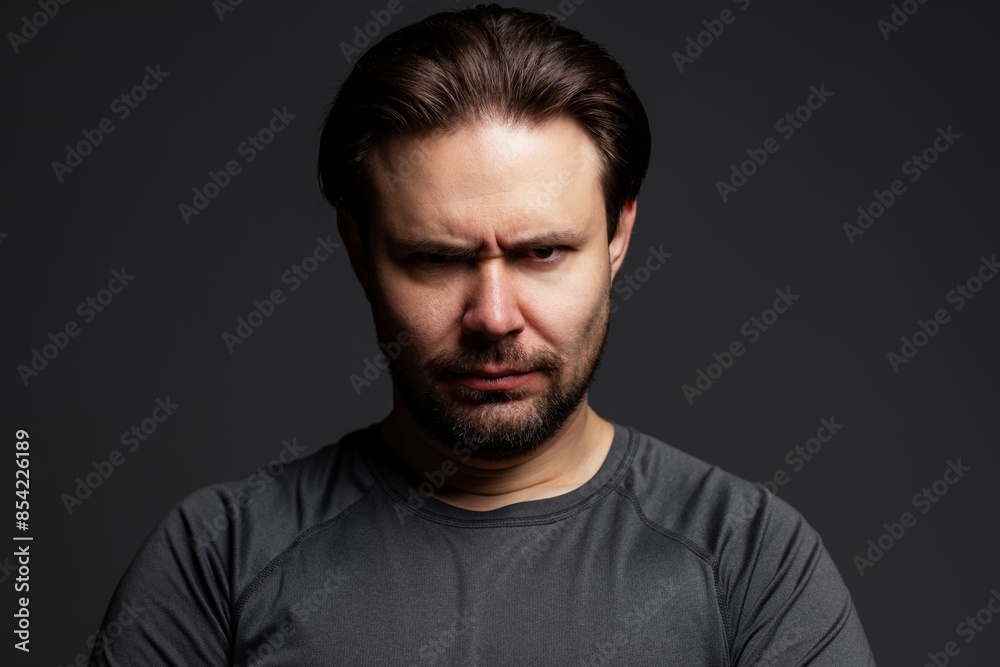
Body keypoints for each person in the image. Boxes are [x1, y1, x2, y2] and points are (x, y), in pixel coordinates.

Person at [90, 4, 875, 665]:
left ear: (617, 237)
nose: (493, 315)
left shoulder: (752, 560)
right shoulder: (217, 558)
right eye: (435, 258)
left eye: (542, 252)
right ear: (359, 250)